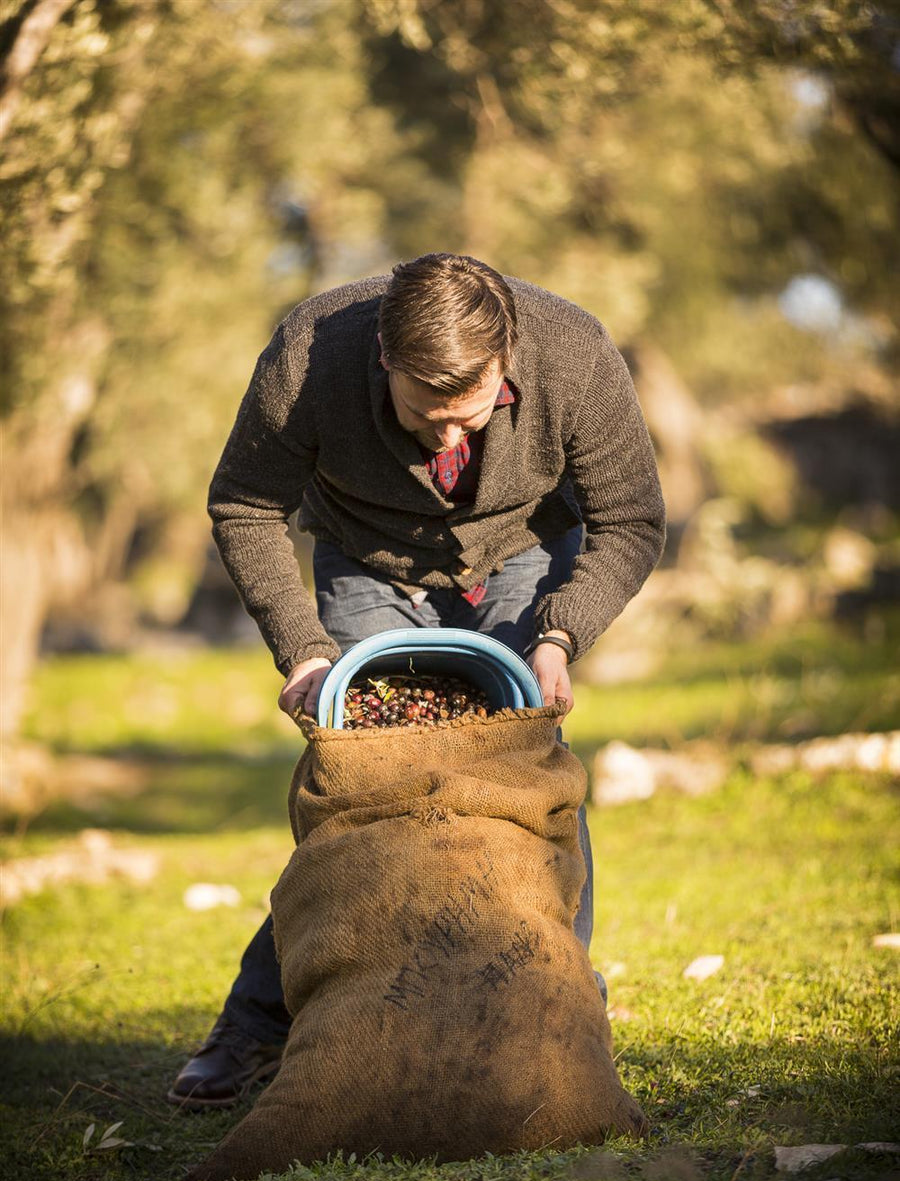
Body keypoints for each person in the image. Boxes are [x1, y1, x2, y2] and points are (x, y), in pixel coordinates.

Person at [167, 253, 665, 1108]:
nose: (447, 441)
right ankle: (258, 1027)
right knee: (367, 798)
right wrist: (306, 651)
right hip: (368, 558)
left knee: (526, 783)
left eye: (468, 419)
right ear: (385, 361)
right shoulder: (309, 355)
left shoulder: (573, 352)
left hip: (524, 555)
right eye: (425, 418)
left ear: (506, 361)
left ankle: (559, 1010)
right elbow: (245, 502)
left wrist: (560, 635)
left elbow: (630, 518)